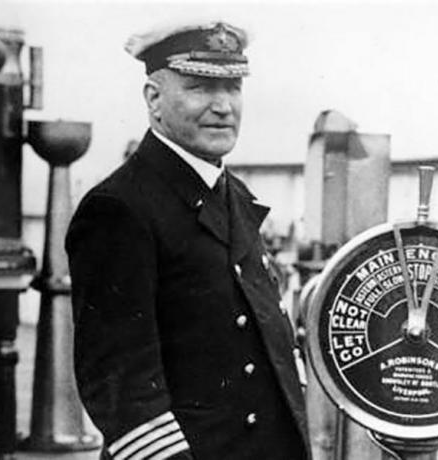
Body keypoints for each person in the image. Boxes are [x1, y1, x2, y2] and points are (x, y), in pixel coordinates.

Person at [65, 18, 311, 460]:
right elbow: (123, 389)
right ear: (153, 99)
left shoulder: (233, 196)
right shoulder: (119, 209)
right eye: (200, 87)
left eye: (233, 88)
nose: (223, 106)